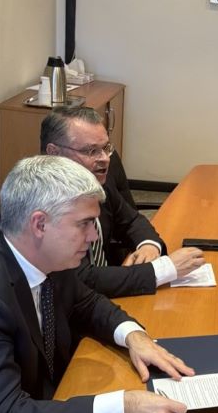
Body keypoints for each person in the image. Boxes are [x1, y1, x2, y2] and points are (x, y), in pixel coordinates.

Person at [0, 155, 194, 413]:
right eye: (84, 224)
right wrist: (122, 408)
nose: (94, 237)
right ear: (39, 224)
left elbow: (87, 303)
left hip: (54, 402)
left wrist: (134, 337)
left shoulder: (49, 257)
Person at [40, 107, 204, 297]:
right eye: (91, 151)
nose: (104, 159)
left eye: (106, 148)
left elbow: (132, 220)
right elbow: (82, 279)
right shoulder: (46, 206)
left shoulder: (96, 181)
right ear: (54, 152)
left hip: (104, 295)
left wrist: (149, 246)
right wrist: (164, 269)